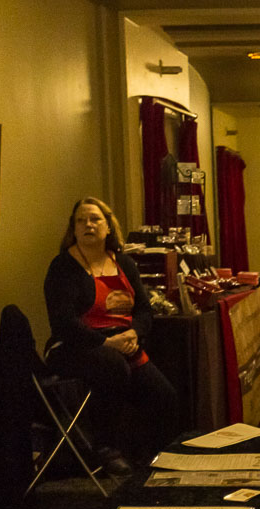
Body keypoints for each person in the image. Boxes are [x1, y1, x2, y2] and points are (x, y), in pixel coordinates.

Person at [44, 197, 178, 476]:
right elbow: (63, 322)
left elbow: (144, 309)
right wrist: (105, 342)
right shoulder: (62, 267)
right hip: (75, 346)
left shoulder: (124, 263)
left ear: (108, 227)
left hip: (122, 342)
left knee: (163, 394)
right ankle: (106, 448)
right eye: (81, 220)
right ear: (73, 228)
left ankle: (152, 458)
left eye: (95, 219)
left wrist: (134, 332)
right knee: (114, 367)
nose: (88, 225)